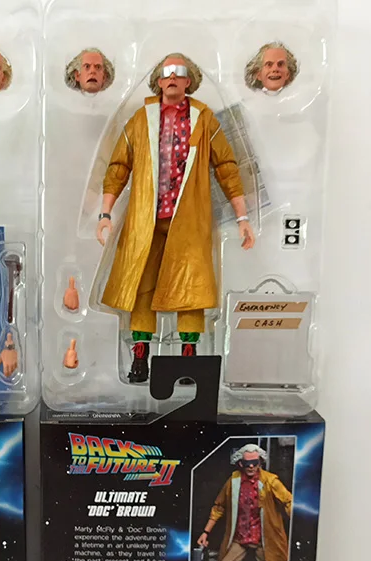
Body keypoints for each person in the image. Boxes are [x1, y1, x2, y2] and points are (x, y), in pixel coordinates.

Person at [95, 52, 255, 381]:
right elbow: (118, 167)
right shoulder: (141, 120)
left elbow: (227, 167)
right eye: (167, 72)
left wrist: (242, 218)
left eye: (179, 72)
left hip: (190, 222)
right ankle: (140, 357)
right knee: (141, 288)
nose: (172, 77)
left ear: (188, 81)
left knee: (191, 290)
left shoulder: (204, 119)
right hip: (146, 222)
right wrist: (105, 213)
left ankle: (188, 360)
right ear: (158, 80)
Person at [197, 444, 293, 561]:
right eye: (247, 463)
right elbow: (219, 507)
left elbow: (289, 501)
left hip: (264, 540)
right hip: (240, 539)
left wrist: (298, 523)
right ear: (240, 463)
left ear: (260, 462)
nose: (251, 466)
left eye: (255, 463)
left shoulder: (270, 481)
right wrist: (206, 532)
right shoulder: (233, 481)